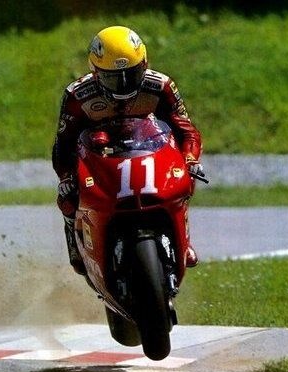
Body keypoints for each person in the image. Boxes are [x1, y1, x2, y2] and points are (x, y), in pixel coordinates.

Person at [52, 25, 204, 275]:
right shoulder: (77, 95)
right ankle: (75, 241)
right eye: (112, 78)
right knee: (67, 199)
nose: (123, 85)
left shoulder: (161, 85)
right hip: (100, 158)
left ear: (144, 64)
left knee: (184, 180)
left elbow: (186, 131)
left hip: (148, 150)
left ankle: (183, 241)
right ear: (96, 72)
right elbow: (63, 144)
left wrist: (190, 158)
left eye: (131, 74)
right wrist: (67, 177)